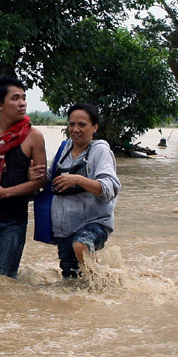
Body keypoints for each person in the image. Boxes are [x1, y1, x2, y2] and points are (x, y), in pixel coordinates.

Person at [0, 74, 47, 279]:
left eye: (23, 98)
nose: (22, 103)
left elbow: (40, 180)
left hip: (14, 219)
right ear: (0, 104)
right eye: (15, 98)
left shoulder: (34, 137)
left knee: (5, 278)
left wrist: (6, 193)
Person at [43, 103, 121, 278]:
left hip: (94, 223)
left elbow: (109, 188)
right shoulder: (64, 149)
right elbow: (49, 179)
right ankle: (104, 286)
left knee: (81, 245)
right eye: (72, 124)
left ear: (94, 127)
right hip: (63, 228)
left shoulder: (100, 151)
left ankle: (100, 279)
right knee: (70, 281)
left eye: (82, 125)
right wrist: (35, 174)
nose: (75, 129)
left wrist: (78, 180)